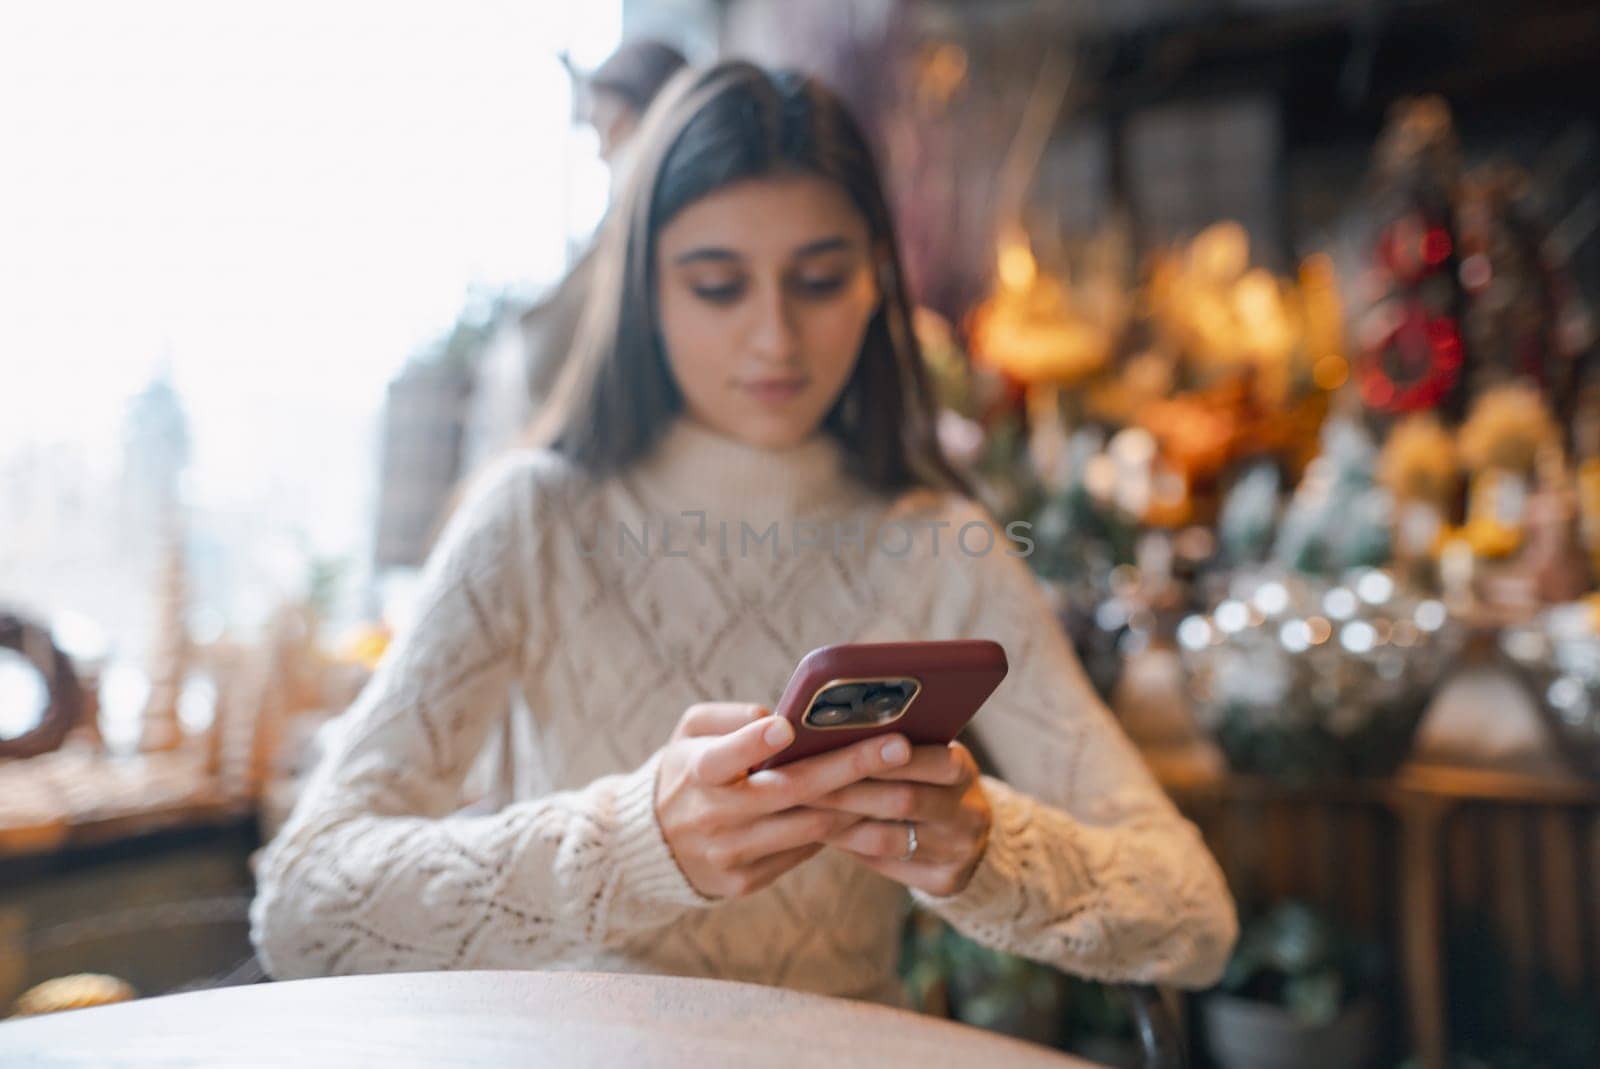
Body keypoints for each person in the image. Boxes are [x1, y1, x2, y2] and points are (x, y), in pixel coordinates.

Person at [251, 62, 1236, 1006]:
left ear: (875, 281)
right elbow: (301, 904)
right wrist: (630, 846)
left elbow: (1192, 913)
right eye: (717, 286)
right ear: (644, 293)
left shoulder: (940, 544)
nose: (774, 337)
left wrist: (983, 850)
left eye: (817, 279)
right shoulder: (532, 521)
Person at [521, 39, 689, 411]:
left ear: (627, 121)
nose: (600, 151)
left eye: (601, 125)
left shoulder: (646, 219)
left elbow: (546, 363)